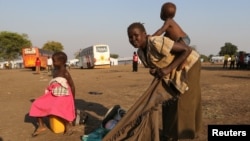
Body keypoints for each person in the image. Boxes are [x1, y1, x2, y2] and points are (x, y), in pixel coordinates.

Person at [127, 22, 202, 140]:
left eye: (136, 35)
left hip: (189, 64)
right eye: (130, 37)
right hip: (173, 69)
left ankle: (184, 134)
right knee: (169, 102)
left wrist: (167, 69)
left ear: (144, 34)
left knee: (183, 101)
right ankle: (170, 133)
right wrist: (155, 71)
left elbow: (186, 50)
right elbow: (157, 64)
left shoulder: (156, 42)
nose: (133, 39)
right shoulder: (141, 53)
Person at [29, 51, 76, 137]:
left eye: (55, 61)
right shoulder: (55, 70)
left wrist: (72, 99)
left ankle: (68, 125)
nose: (53, 63)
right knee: (36, 103)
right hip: (54, 93)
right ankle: (41, 126)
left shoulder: (65, 72)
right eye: (53, 60)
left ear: (62, 62)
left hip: (64, 94)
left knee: (56, 107)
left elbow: (72, 86)